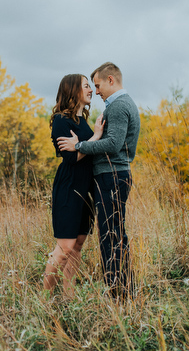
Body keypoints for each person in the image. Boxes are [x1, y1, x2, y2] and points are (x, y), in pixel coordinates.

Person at [57, 62, 140, 299]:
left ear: (110, 80)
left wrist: (80, 145)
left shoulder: (118, 106)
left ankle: (117, 293)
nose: (96, 91)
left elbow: (113, 144)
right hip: (113, 176)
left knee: (110, 236)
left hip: (111, 176)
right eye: (91, 86)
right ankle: (123, 290)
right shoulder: (123, 104)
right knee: (115, 234)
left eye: (98, 85)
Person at [43, 73, 105, 295]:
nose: (91, 90)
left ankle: (70, 297)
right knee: (64, 248)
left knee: (77, 246)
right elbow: (71, 158)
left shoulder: (82, 123)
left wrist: (82, 143)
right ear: (73, 90)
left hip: (85, 190)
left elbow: (83, 151)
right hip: (69, 188)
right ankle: (44, 300)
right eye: (86, 86)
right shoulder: (61, 120)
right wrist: (95, 138)